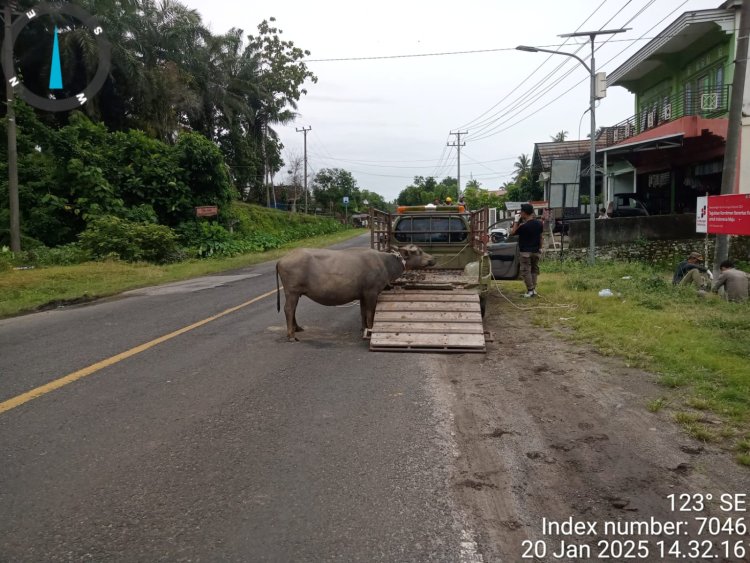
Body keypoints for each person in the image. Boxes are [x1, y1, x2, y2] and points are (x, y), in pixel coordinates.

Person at [511, 203, 543, 297]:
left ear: (524, 213)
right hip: (536, 251)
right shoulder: (539, 223)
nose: (520, 213)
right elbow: (541, 237)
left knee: (526, 271)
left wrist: (516, 221)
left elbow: (512, 232)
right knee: (534, 270)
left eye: (521, 211)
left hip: (525, 252)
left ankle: (530, 290)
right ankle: (533, 290)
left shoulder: (523, 226)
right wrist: (540, 248)